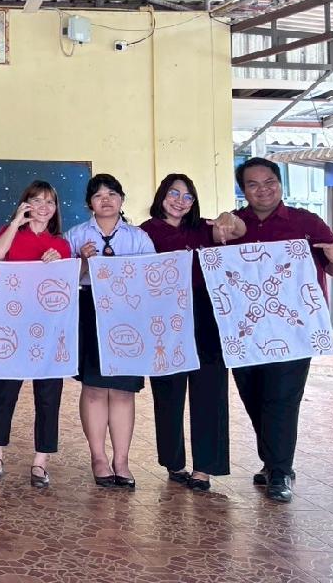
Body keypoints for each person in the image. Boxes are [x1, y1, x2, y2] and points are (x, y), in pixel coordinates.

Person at [229, 157, 333, 503]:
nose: (263, 190)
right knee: (253, 396)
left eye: (269, 182)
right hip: (245, 331)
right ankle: (272, 461)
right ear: (243, 191)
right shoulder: (234, 226)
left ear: (280, 183)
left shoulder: (306, 222)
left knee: (282, 398)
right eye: (253, 184)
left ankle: (281, 470)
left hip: (295, 330)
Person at [140, 173, 245, 492]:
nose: (180, 201)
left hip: (207, 316)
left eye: (187, 196)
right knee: (168, 392)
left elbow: (238, 231)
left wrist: (228, 218)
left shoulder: (204, 228)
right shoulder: (145, 232)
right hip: (164, 317)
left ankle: (204, 468)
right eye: (174, 193)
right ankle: (174, 462)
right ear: (162, 195)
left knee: (210, 392)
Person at [66, 173, 155, 491]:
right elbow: (59, 281)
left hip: (128, 314)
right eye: (98, 195)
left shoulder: (138, 237)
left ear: (122, 199)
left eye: (112, 194)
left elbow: (153, 278)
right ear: (89, 203)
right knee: (93, 389)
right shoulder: (75, 235)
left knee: (122, 390)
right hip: (89, 309)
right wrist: (83, 262)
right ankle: (98, 458)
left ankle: (122, 461)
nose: (106, 200)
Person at [0, 180, 71, 489]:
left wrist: (58, 263)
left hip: (48, 333)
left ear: (56, 209)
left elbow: (66, 285)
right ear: (25, 204)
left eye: (49, 202)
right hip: (12, 328)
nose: (43, 207)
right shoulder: (11, 234)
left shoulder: (60, 245)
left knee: (48, 397)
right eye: (36, 200)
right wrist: (15, 223)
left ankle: (40, 461)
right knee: (4, 393)